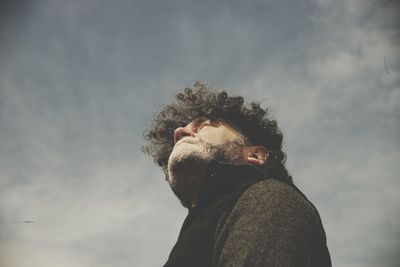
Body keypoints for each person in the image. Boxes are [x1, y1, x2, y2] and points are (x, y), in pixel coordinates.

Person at [142, 81, 332, 267]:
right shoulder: (200, 231)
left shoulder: (267, 196)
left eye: (203, 125)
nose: (179, 132)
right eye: (180, 136)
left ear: (256, 155)